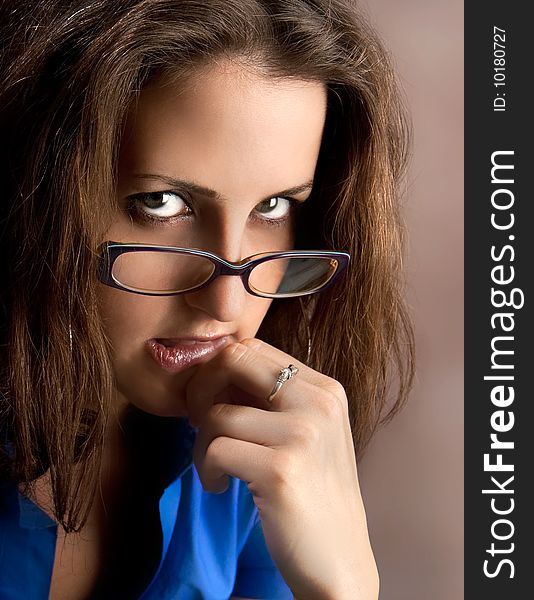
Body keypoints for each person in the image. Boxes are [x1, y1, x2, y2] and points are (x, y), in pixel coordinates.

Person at [0, 0, 414, 598]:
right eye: (162, 204)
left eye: (273, 208)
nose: (225, 302)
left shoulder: (250, 459)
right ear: (33, 193)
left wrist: (343, 586)